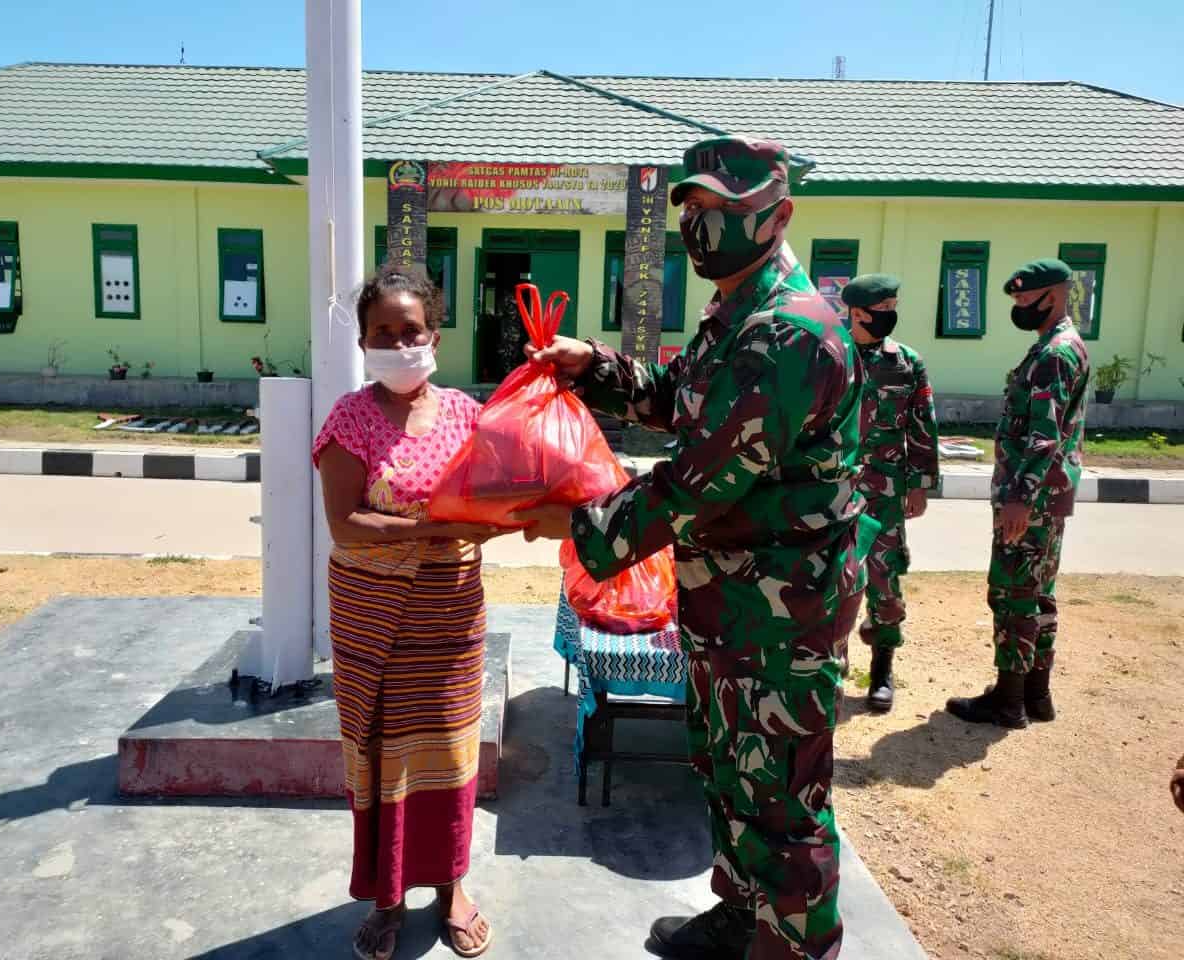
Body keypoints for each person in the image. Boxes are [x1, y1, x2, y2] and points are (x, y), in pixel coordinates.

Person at [516, 136, 869, 960]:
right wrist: (595, 367)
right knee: (726, 767)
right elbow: (685, 400)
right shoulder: (735, 314)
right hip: (731, 600)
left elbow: (699, 479)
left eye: (723, 212)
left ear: (778, 216)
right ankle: (741, 914)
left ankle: (793, 947)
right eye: (694, 211)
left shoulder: (790, 332)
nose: (702, 228)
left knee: (780, 798)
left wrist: (580, 526)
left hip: (782, 614)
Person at [312, 266, 499, 960]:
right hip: (372, 618)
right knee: (381, 756)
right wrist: (427, 528)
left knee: (448, 750)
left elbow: (491, 497)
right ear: (363, 342)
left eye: (410, 330)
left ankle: (452, 886)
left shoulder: (466, 414)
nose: (398, 342)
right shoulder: (349, 419)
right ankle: (388, 896)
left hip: (449, 615)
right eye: (382, 332)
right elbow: (346, 524)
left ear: (434, 336)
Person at [948, 258, 1089, 728]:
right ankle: (1036, 694)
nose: (1019, 307)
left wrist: (1019, 498)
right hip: (1050, 495)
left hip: (1030, 497)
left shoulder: (1053, 354)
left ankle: (1008, 701)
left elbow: (1043, 435)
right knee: (1039, 592)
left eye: (1025, 299)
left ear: (1054, 295)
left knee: (1012, 594)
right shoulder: (1065, 346)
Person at [842, 274, 939, 713]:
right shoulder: (828, 354)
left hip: (884, 493)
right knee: (832, 577)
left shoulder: (906, 362)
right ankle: (833, 661)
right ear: (857, 312)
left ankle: (882, 668)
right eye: (883, 309)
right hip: (834, 489)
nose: (891, 316)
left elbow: (922, 427)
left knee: (885, 578)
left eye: (894, 306)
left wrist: (919, 486)